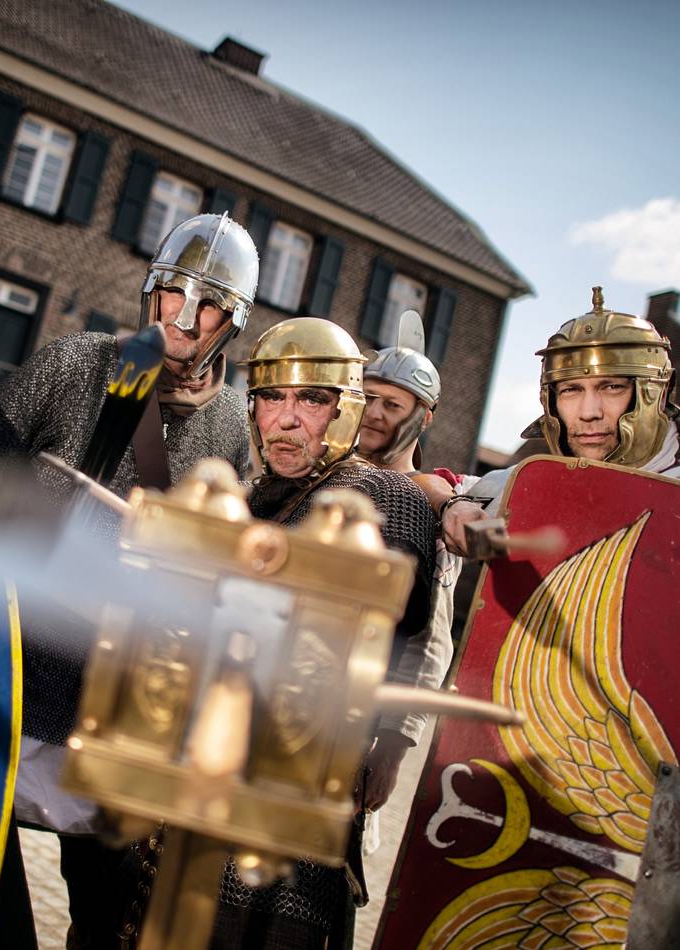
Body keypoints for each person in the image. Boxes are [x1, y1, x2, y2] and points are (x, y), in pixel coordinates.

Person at [0, 212, 260, 947]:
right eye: (171, 294)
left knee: (109, 924)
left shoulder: (235, 425)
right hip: (12, 674)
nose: (182, 317)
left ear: (231, 323)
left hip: (123, 707)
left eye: (206, 305)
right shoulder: (74, 365)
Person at [210, 316, 438, 950]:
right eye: (271, 398)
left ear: (345, 410)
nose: (285, 419)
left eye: (311, 400)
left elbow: (366, 628)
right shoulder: (255, 495)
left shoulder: (383, 497)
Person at [443, 287, 680, 556]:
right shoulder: (517, 490)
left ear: (656, 393)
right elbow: (421, 484)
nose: (588, 412)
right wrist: (452, 506)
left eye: (612, 387)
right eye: (571, 390)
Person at [355, 327, 458, 825]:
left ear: (423, 416)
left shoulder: (429, 504)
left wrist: (393, 746)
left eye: (393, 405)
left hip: (355, 725)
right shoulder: (333, 476)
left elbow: (429, 640)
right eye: (369, 398)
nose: (374, 413)